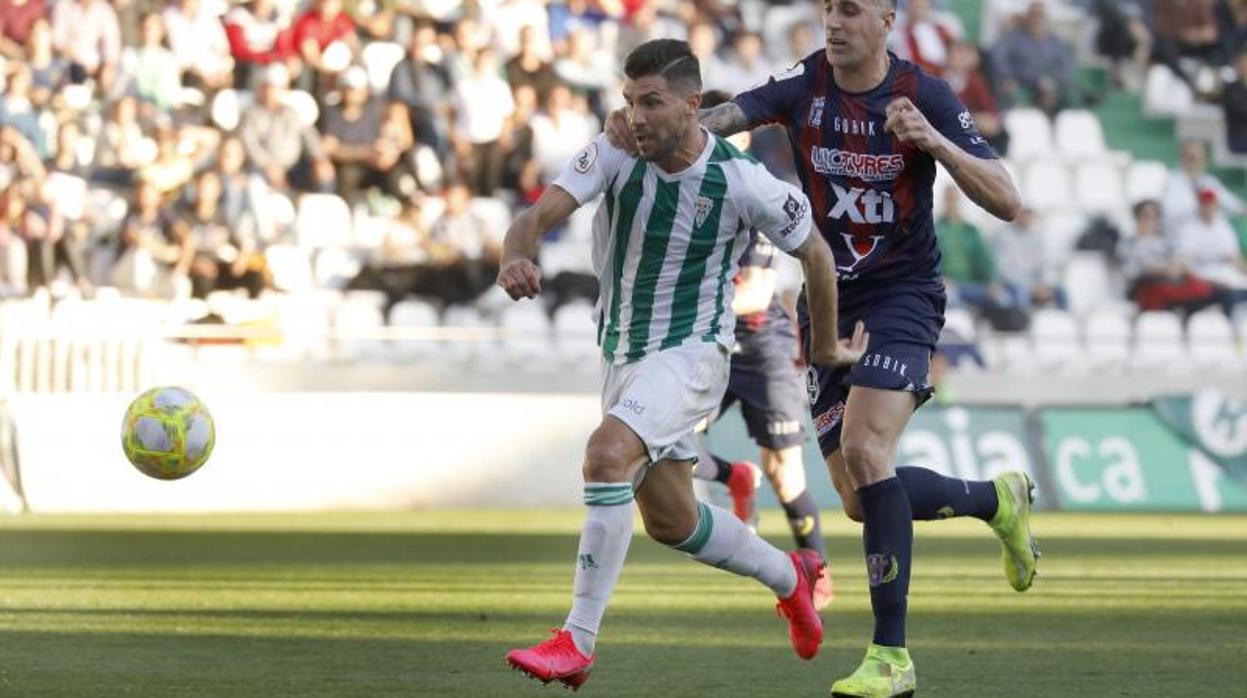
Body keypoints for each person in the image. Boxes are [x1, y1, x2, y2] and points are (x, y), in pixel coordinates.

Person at [609, 2, 1036, 695]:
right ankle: (995, 499)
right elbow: (721, 118)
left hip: (903, 297)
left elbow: (1007, 199)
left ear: (886, 19)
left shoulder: (923, 96)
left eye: (849, 9)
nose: (832, 22)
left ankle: (890, 657)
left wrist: (931, 140)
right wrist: (649, 127)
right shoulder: (805, 85)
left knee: (868, 453)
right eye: (826, 8)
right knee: (861, 498)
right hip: (825, 302)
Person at [500, 39, 862, 691]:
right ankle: (791, 576)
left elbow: (815, 253)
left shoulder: (741, 180)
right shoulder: (611, 150)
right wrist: (514, 258)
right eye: (628, 101)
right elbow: (534, 217)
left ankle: (575, 640)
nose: (634, 117)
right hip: (622, 356)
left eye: (651, 102)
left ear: (692, 106)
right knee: (671, 521)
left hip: (693, 353)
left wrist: (829, 345)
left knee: (606, 456)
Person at [690, 89, 834, 611]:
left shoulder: (754, 189)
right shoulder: (685, 190)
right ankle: (735, 476)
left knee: (787, 474)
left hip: (759, 346)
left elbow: (754, 289)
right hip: (707, 341)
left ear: (743, 134)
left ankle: (815, 570)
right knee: (669, 449)